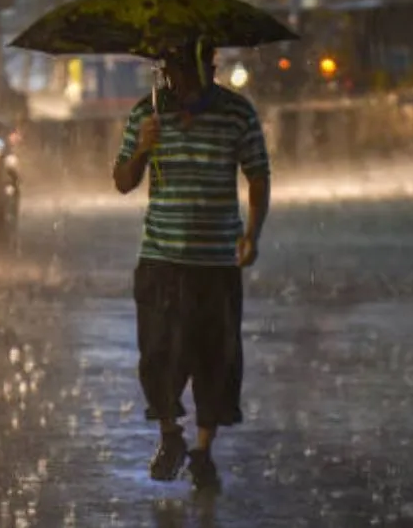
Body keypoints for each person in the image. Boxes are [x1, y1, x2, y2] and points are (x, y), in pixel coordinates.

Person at [111, 38, 271, 491]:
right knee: (158, 356)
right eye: (171, 68)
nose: (177, 77)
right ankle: (170, 436)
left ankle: (202, 450)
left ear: (209, 66)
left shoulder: (237, 113)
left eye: (186, 67)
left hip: (216, 262)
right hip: (161, 259)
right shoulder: (147, 114)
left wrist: (252, 234)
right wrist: (143, 148)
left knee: (214, 360)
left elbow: (258, 174)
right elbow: (123, 181)